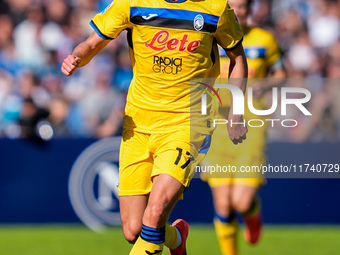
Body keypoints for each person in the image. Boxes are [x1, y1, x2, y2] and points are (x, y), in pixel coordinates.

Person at [61, 0, 248, 254]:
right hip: (139, 125)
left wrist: (235, 111)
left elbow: (237, 59)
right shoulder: (132, 3)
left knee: (157, 210)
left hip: (187, 124)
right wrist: (76, 58)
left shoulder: (215, 8)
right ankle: (176, 238)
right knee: (134, 230)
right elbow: (93, 43)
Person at [201, 0, 287, 254]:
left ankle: (252, 212)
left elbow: (282, 74)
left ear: (251, 10)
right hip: (216, 126)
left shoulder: (264, 40)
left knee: (241, 201)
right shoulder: (212, 35)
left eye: (242, 7)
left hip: (250, 126)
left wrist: (266, 85)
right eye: (233, 6)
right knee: (223, 204)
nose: (237, 12)